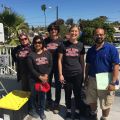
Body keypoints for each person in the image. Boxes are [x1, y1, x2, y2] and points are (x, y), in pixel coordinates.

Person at [84, 28, 119, 120]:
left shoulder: (111, 49)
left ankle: (104, 117)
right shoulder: (91, 50)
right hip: (92, 79)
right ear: (93, 36)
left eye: (101, 34)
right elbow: (88, 65)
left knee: (106, 102)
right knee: (91, 99)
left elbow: (116, 66)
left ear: (104, 35)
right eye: (97, 34)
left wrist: (113, 82)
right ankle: (93, 114)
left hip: (106, 79)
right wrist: (85, 78)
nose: (99, 36)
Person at [58, 24, 85, 120]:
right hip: (66, 74)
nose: (74, 33)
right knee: (67, 94)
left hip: (78, 74)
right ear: (69, 32)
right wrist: (60, 74)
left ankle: (77, 112)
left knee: (78, 94)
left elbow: (82, 61)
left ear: (78, 33)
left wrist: (83, 75)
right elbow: (59, 60)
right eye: (72, 31)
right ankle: (68, 111)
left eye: (76, 31)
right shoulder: (63, 45)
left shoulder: (81, 45)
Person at [27, 35, 52, 119]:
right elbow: (31, 69)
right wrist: (39, 76)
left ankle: (41, 111)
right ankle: (32, 110)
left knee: (42, 96)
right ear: (33, 44)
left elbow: (50, 65)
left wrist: (46, 75)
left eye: (39, 42)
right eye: (36, 42)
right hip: (34, 79)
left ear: (42, 43)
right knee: (33, 96)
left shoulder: (47, 53)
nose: (37, 44)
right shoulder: (31, 55)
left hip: (44, 79)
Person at [44, 24, 63, 114]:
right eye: (51, 29)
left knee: (58, 85)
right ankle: (48, 101)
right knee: (47, 84)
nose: (53, 31)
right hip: (47, 67)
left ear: (57, 31)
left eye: (55, 29)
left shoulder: (61, 41)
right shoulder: (45, 41)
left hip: (58, 66)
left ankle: (56, 103)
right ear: (49, 31)